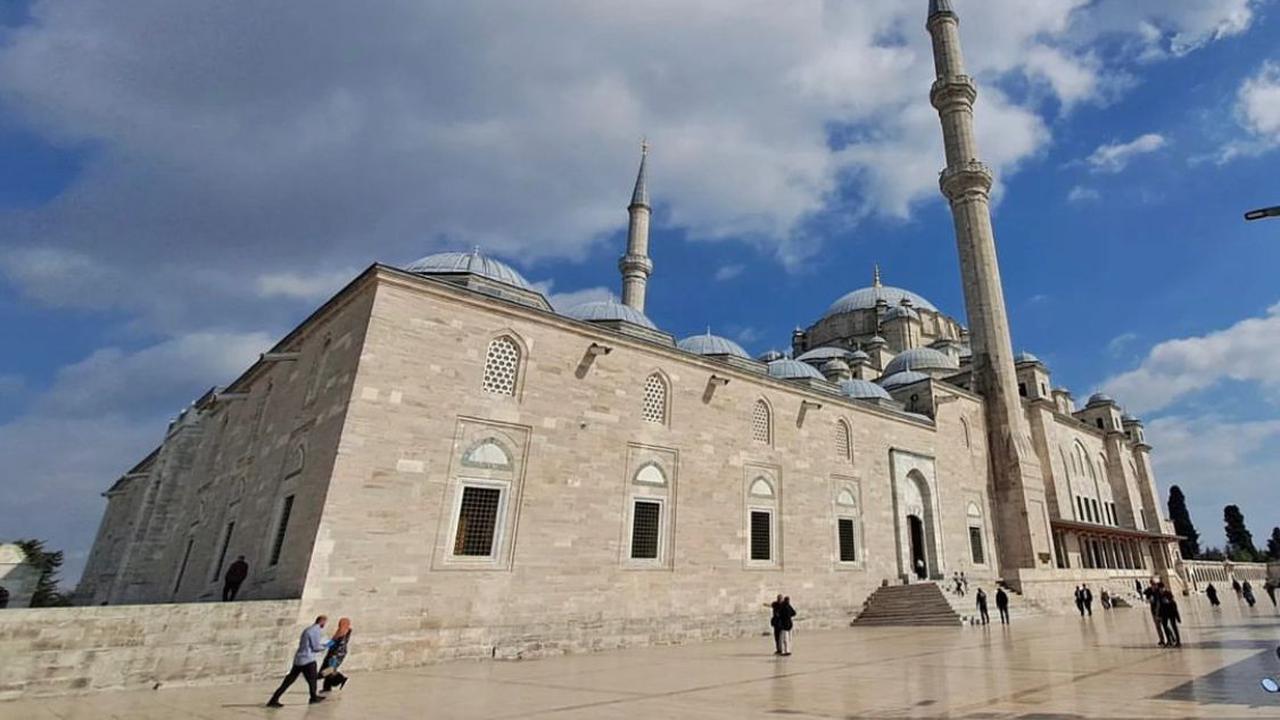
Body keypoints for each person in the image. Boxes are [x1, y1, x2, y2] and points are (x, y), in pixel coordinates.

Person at [267, 615, 329, 707]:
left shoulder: (308, 629)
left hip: (299, 659)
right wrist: (326, 646)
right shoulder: (315, 631)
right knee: (312, 680)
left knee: (288, 681)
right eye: (325, 622)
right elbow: (315, 647)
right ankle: (313, 698)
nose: (325, 624)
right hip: (308, 659)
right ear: (322, 622)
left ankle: (274, 699)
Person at [320, 617, 352, 693]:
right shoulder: (348, 630)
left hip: (335, 654)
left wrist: (324, 646)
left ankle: (341, 678)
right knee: (330, 669)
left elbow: (333, 641)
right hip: (340, 653)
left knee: (328, 670)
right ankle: (327, 687)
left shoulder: (341, 631)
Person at [1145, 582, 1166, 647]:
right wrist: (1149, 600)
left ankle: (1171, 638)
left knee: (1165, 626)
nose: (1153, 587)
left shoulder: (1158, 593)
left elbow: (1159, 603)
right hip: (1154, 612)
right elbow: (1147, 599)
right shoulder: (1150, 592)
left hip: (1161, 612)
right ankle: (1162, 640)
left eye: (1154, 585)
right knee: (1158, 627)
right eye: (1152, 585)